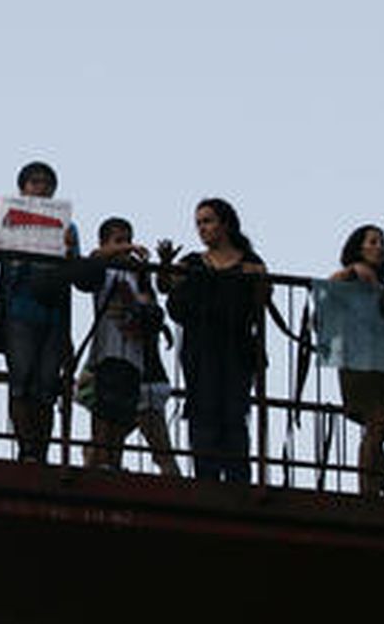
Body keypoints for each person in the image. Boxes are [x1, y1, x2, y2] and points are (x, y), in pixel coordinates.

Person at [158, 198, 266, 484]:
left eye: (208, 221)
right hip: (201, 347)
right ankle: (206, 477)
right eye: (199, 223)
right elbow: (165, 285)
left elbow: (263, 299)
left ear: (225, 223)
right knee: (203, 410)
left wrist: (260, 280)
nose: (202, 228)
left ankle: (237, 478)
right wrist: (166, 265)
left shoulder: (249, 263)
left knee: (233, 411)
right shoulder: (193, 262)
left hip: (236, 346)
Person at [83, 217, 180, 476]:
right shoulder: (103, 268)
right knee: (106, 414)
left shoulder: (139, 273)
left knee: (123, 416)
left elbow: (153, 306)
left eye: (128, 239)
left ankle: (105, 461)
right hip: (108, 353)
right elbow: (90, 263)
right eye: (118, 241)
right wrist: (122, 251)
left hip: (136, 359)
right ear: (105, 243)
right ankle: (101, 462)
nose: (126, 246)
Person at [0, 161, 79, 464]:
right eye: (34, 182)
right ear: (22, 188)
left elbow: (76, 275)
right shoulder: (7, 219)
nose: (40, 187)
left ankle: (39, 451)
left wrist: (70, 251)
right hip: (19, 312)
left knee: (46, 387)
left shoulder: (68, 227)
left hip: (54, 317)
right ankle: (27, 449)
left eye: (45, 182)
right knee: (22, 382)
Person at [329, 224, 384, 498]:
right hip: (362, 360)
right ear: (358, 248)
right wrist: (353, 271)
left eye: (381, 242)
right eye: (372, 241)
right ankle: (369, 490)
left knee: (380, 426)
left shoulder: (383, 286)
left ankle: (376, 486)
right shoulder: (354, 277)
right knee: (374, 423)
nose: (379, 246)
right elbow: (331, 285)